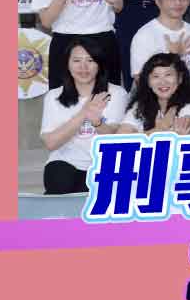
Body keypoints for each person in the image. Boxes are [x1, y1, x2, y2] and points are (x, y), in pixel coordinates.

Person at [39, 40, 128, 194]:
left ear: (99, 64)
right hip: (65, 163)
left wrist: (97, 123)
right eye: (77, 61)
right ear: (67, 64)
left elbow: (117, 140)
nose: (83, 67)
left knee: (101, 186)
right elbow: (51, 143)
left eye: (90, 60)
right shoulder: (54, 96)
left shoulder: (116, 93)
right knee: (60, 180)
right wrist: (84, 113)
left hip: (103, 164)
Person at [123, 53, 190, 135]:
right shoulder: (139, 107)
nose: (162, 82)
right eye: (156, 76)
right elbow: (122, 136)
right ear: (148, 82)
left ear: (180, 78)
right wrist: (159, 129)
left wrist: (149, 133)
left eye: (168, 75)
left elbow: (185, 124)